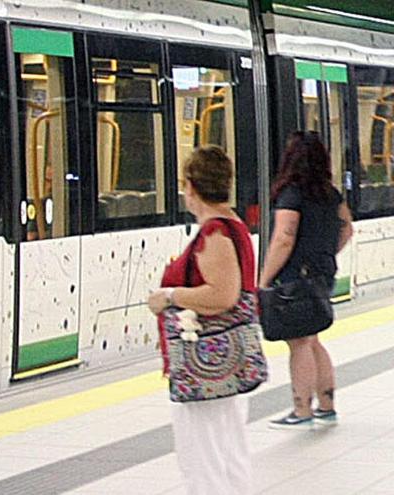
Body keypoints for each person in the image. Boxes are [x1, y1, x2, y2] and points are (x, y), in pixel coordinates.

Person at [148, 146, 254, 494]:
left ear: (191, 187)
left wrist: (170, 296)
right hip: (226, 363)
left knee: (202, 461)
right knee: (228, 455)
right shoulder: (232, 226)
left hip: (206, 366)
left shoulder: (216, 234)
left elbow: (223, 295)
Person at [259, 131, 353, 429]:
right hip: (322, 273)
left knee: (299, 343)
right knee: (313, 339)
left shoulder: (292, 194)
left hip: (295, 278)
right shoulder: (330, 193)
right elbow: (347, 228)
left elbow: (284, 238)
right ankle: (327, 405)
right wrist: (325, 254)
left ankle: (302, 410)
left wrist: (263, 280)